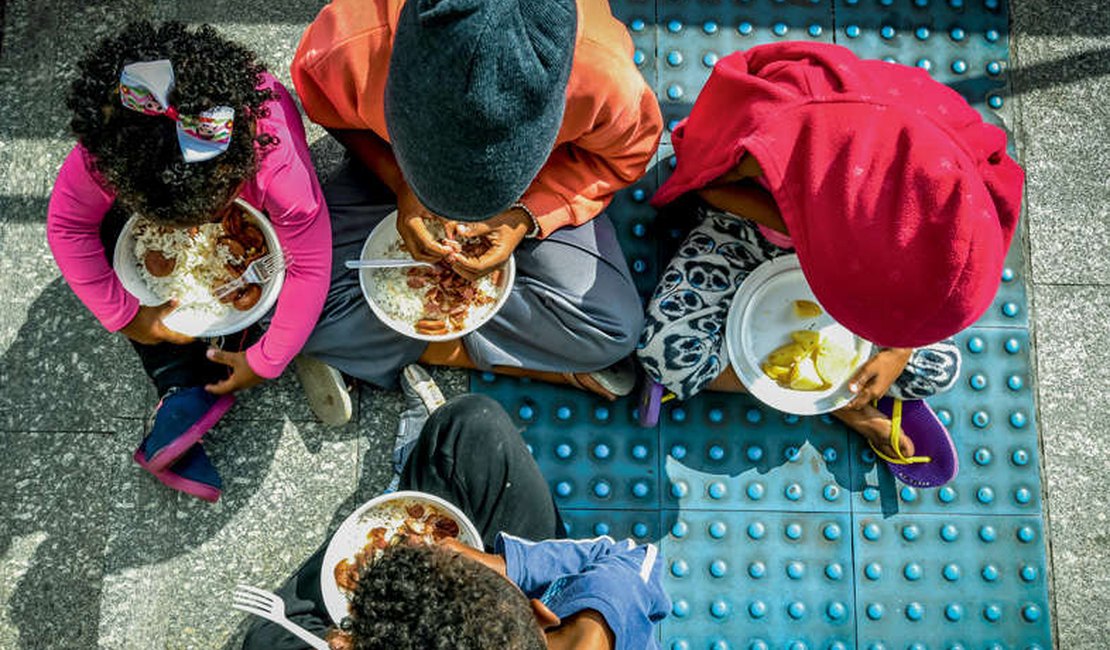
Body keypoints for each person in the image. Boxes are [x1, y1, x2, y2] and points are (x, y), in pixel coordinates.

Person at [637, 43, 1025, 487]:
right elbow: (712, 186)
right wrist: (807, 231)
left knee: (938, 363)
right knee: (667, 358)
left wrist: (900, 348)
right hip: (746, 227)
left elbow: (942, 261)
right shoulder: (776, 129)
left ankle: (826, 387)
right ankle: (842, 404)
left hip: (851, 248)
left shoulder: (944, 173)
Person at [287, 0, 663, 419]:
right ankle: (539, 358)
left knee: (613, 330)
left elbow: (624, 157)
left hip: (542, 189)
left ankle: (385, 348)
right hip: (391, 180)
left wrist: (525, 216)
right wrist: (399, 182)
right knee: (288, 302)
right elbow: (328, 110)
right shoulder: (349, 45)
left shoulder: (603, 77)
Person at [46, 21, 331, 501]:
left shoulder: (279, 169)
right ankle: (189, 386)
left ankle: (185, 386)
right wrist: (127, 316)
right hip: (163, 171)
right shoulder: (112, 152)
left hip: (260, 180)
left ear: (239, 174)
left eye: (209, 216)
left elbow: (311, 263)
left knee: (287, 291)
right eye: (173, 222)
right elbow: (66, 226)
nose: (192, 234)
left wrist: (267, 362)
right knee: (110, 243)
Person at [242, 369, 670, 649]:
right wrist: (506, 564)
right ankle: (420, 478)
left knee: (268, 638)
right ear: (538, 610)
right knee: (473, 426)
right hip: (541, 595)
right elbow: (631, 559)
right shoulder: (599, 624)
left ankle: (410, 479)